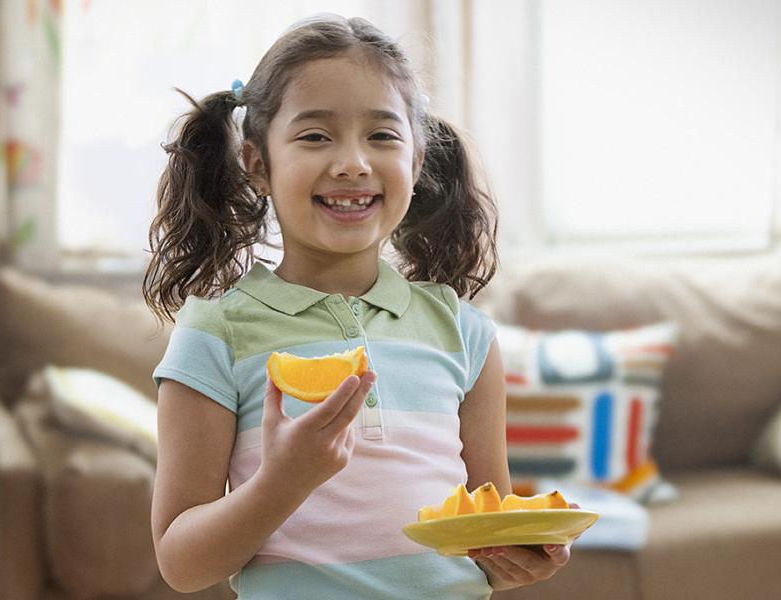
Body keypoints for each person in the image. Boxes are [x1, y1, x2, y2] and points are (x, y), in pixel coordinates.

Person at [144, 14, 573, 599]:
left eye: (382, 135)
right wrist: (283, 482)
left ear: (417, 162)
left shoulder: (464, 333)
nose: (353, 162)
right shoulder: (214, 333)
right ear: (257, 163)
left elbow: (482, 539)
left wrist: (520, 556)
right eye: (315, 136)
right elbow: (181, 564)